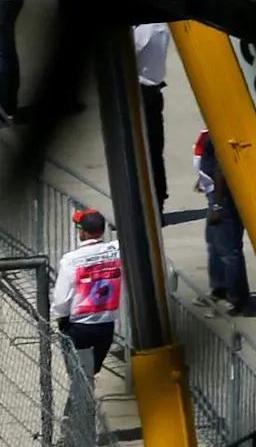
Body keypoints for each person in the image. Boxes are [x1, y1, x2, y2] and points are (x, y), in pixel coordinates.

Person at [51, 209, 123, 377]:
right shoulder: (117, 251)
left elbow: (61, 299)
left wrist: (59, 317)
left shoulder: (71, 260)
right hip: (106, 323)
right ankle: (86, 400)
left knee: (79, 377)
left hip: (78, 326)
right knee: (91, 372)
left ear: (82, 232)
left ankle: (83, 402)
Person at [192, 133, 250, 314]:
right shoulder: (210, 130)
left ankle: (237, 299)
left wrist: (217, 205)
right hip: (214, 194)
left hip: (222, 199)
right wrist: (202, 179)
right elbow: (208, 161)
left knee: (229, 251)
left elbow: (221, 169)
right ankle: (220, 289)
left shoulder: (219, 131)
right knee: (214, 246)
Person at [131, 25, 170, 203]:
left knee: (138, 151)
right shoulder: (161, 27)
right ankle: (158, 201)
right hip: (153, 91)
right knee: (154, 151)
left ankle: (146, 202)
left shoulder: (143, 31)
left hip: (140, 93)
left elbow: (127, 55)